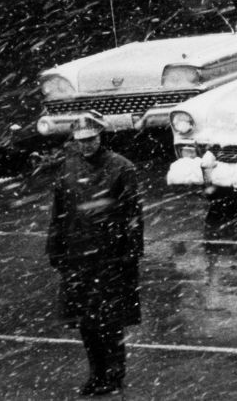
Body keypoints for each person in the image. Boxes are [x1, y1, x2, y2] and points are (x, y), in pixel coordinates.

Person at [47, 112, 142, 396]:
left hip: (111, 257)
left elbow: (132, 214)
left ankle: (113, 375)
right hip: (78, 257)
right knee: (86, 323)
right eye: (81, 141)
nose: (86, 145)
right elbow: (59, 213)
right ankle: (96, 373)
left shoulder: (122, 168)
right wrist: (55, 248)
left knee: (110, 323)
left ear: (101, 137)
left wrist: (131, 252)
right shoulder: (68, 169)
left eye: (91, 139)